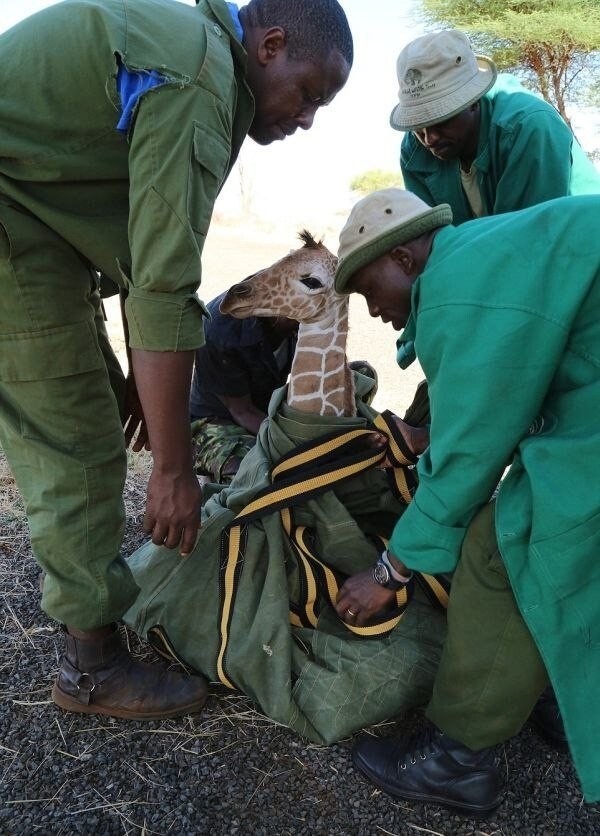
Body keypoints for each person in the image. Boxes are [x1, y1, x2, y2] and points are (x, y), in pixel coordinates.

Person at [0, 0, 353, 720]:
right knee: (80, 445)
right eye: (310, 92)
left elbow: (138, 258)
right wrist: (172, 469)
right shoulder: (198, 77)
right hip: (13, 223)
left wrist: (136, 382)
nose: (308, 117)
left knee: (98, 409)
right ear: (271, 45)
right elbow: (164, 283)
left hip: (33, 223)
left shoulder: (190, 51)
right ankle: (91, 669)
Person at [333, 188, 600, 813]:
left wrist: (389, 572)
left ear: (403, 257)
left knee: (506, 549)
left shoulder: (454, 288)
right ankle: (557, 685)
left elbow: (465, 467)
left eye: (370, 290)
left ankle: (455, 760)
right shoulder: (482, 253)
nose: (372, 312)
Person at [391, 30, 600, 225]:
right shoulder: (413, 151)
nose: (429, 138)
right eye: (418, 125)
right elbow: (431, 243)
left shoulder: (528, 127)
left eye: (441, 119)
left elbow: (530, 239)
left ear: (473, 100)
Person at [190, 289, 298, 482]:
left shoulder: (302, 323)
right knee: (253, 473)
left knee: (360, 374)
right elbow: (242, 411)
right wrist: (293, 445)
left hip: (267, 412)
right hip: (217, 420)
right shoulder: (221, 329)